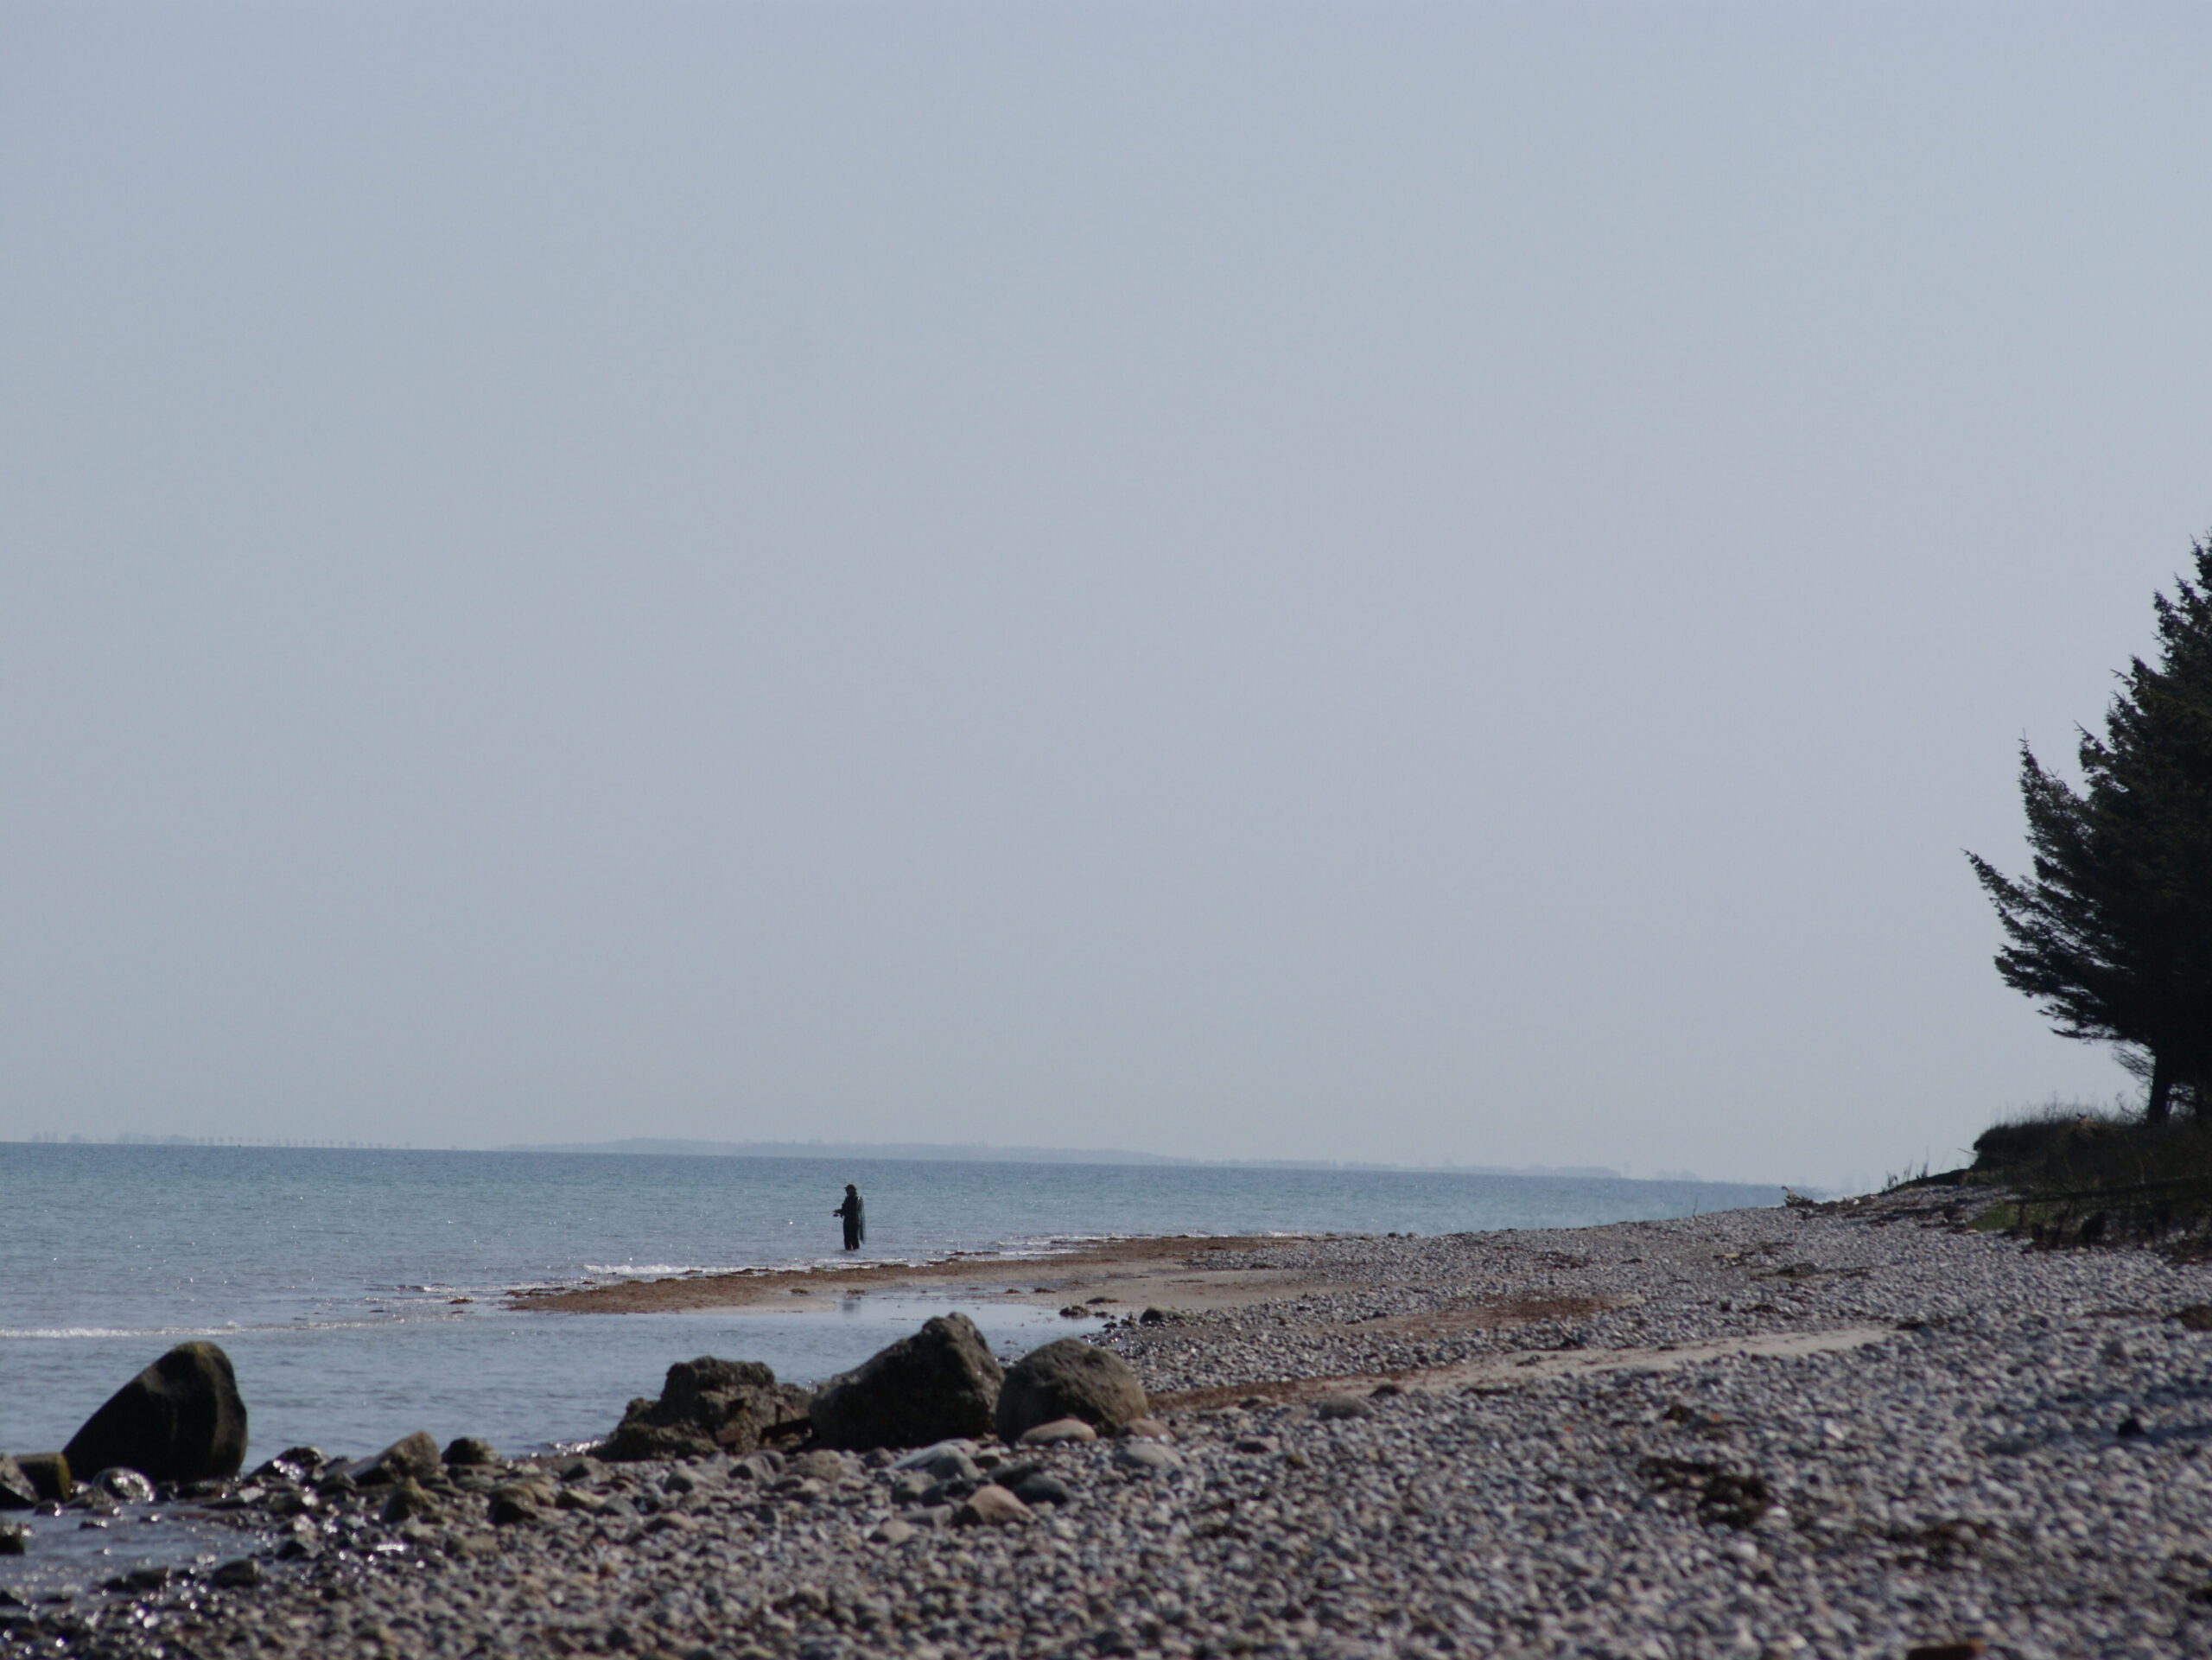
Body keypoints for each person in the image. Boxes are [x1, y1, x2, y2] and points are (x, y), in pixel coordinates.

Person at [832, 1183, 865, 1251]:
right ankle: (849, 1254)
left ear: (852, 1190)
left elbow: (851, 1210)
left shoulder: (856, 1199)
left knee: (854, 1239)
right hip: (848, 1222)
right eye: (846, 1190)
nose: (846, 1191)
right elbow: (845, 1209)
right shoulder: (848, 1199)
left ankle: (855, 1255)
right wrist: (839, 1211)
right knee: (847, 1239)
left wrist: (841, 1212)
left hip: (853, 1222)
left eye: (848, 1190)